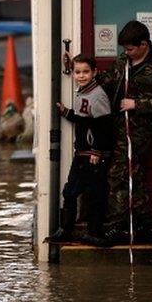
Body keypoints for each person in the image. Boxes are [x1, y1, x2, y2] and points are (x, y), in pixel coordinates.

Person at [96, 21, 152, 244]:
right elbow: (109, 79)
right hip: (117, 124)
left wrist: (137, 104)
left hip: (138, 130)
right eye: (124, 49)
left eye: (130, 49)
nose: (126, 53)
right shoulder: (123, 61)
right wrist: (86, 75)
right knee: (134, 173)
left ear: (143, 45)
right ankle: (141, 222)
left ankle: (118, 225)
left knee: (118, 173)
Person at [52, 55, 114, 246]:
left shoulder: (98, 95)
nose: (81, 75)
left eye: (85, 72)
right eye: (77, 72)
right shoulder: (82, 93)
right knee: (70, 191)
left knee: (95, 194)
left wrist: (97, 150)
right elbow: (83, 120)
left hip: (93, 155)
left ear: (94, 73)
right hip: (81, 153)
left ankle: (95, 232)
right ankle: (66, 230)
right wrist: (67, 112)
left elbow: (105, 126)